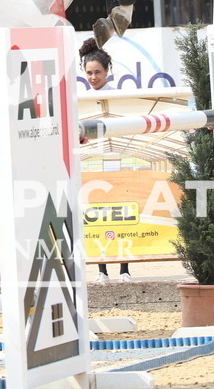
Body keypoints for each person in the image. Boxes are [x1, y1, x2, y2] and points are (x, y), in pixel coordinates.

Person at [79, 37, 132, 283]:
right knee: (95, 217)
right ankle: (101, 271)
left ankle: (125, 269)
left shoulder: (120, 96)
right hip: (91, 164)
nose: (93, 77)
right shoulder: (78, 99)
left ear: (107, 71)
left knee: (121, 216)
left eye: (97, 72)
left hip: (118, 161)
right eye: (89, 72)